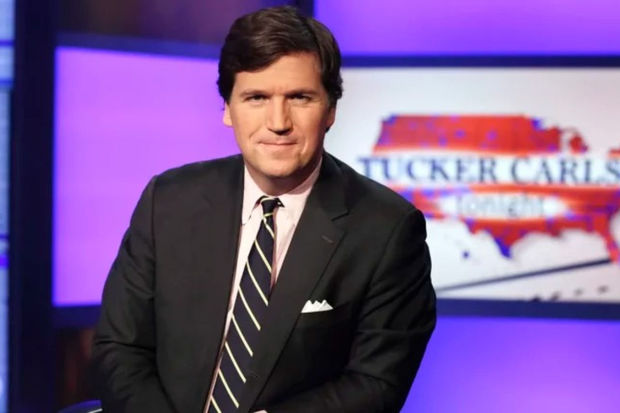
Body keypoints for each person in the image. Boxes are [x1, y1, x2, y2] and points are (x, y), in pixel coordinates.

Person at [92, 6, 436, 413]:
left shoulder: (387, 230)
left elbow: (376, 384)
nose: (278, 122)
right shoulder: (167, 200)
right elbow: (120, 348)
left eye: (299, 98)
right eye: (256, 98)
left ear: (330, 110)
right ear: (227, 108)